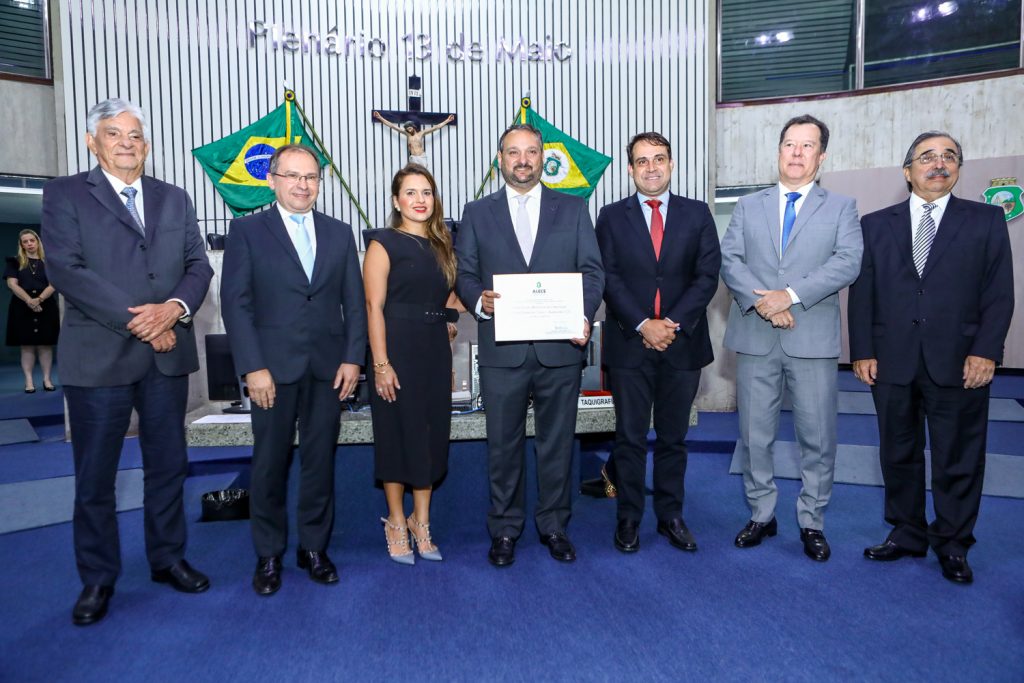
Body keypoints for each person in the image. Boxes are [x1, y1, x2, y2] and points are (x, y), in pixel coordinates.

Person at [42, 98, 214, 626]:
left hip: (167, 360)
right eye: (113, 134)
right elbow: (66, 270)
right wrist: (143, 322)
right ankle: (98, 578)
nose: (125, 143)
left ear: (147, 145)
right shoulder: (66, 194)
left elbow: (198, 266)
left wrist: (173, 309)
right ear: (92, 142)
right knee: (96, 478)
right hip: (98, 359)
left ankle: (168, 558)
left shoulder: (174, 198)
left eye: (135, 135)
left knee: (168, 467)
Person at [848, 131, 1013, 584]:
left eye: (949, 156)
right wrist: (862, 350)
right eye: (927, 157)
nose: (939, 164)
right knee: (897, 453)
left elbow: (999, 293)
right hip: (891, 360)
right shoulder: (874, 224)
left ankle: (953, 543)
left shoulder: (985, 219)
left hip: (960, 361)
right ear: (908, 171)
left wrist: (986, 351)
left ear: (958, 168)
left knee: (958, 456)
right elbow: (863, 292)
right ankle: (906, 533)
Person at [455, 123, 605, 567]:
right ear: (500, 160)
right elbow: (464, 273)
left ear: (543, 158)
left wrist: (582, 315)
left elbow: (592, 271)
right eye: (513, 152)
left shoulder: (573, 209)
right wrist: (478, 301)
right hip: (502, 353)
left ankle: (554, 526)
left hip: (560, 351)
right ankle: (504, 529)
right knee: (503, 447)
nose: (523, 160)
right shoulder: (477, 212)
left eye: (531, 152)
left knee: (557, 444)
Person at [221, 144, 367, 596]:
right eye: (293, 176)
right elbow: (236, 304)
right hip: (271, 372)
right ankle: (269, 555)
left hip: (328, 370)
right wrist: (253, 367)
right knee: (269, 465)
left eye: (311, 177)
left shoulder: (340, 233)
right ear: (272, 180)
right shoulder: (247, 231)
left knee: (320, 463)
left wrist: (353, 358)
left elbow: (354, 303)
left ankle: (314, 548)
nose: (303, 185)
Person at [720, 114, 862, 562]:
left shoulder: (841, 207)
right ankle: (761, 513)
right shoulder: (748, 205)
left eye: (807, 145)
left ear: (821, 156)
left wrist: (790, 296)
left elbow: (848, 261)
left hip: (812, 340)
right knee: (754, 435)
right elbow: (730, 260)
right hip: (755, 336)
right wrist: (766, 303)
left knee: (817, 437)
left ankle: (812, 520)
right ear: (778, 151)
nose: (797, 153)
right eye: (789, 144)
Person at [595, 132, 721, 553]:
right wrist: (642, 324)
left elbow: (707, 275)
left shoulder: (697, 213)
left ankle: (671, 516)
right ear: (631, 169)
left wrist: (671, 323)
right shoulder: (610, 217)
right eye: (642, 161)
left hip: (682, 345)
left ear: (671, 164)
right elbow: (607, 277)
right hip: (629, 346)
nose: (651, 168)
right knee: (629, 438)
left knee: (673, 438)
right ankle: (629, 518)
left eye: (659, 159)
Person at [363, 164, 463, 564]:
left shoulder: (444, 246)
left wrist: (454, 320)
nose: (420, 200)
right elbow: (373, 307)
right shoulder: (382, 243)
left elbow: (451, 299)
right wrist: (381, 364)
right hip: (396, 351)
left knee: (430, 438)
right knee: (396, 437)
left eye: (426, 192)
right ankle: (395, 521)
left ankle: (422, 522)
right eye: (410, 192)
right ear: (396, 200)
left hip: (434, 352)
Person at [5, 229, 59, 392]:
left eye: (31, 240)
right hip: (22, 305)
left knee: (45, 345)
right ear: (21, 245)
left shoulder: (49, 262)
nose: (29, 244)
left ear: (37, 241)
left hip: (46, 305)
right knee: (27, 346)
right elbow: (12, 284)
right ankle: (29, 381)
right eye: (25, 241)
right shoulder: (14, 262)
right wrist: (29, 300)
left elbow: (54, 283)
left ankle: (47, 380)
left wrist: (39, 299)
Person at [373, 111, 455, 166]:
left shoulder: (421, 133)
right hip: (413, 158)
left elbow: (436, 127)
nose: (409, 130)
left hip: (421, 157)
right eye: (407, 129)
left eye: (410, 128)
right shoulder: (407, 134)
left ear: (413, 127)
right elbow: (392, 126)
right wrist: (379, 117)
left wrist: (448, 120)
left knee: (424, 175)